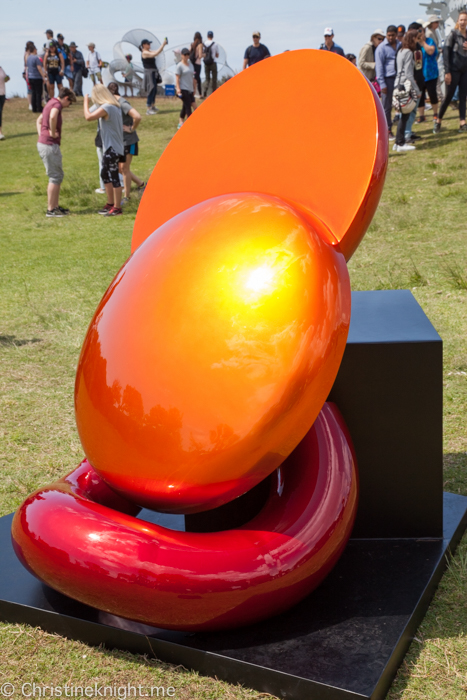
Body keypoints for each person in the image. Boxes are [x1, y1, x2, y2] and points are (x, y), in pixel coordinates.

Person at [84, 85, 125, 216]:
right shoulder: (113, 106)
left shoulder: (107, 107)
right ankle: (111, 203)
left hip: (112, 148)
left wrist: (85, 102)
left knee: (114, 177)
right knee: (105, 175)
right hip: (111, 147)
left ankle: (117, 207)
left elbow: (88, 117)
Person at [36, 86, 76, 216]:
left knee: (57, 176)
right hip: (49, 145)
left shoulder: (50, 101)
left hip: (44, 143)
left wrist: (41, 135)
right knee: (55, 177)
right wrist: (52, 134)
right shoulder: (57, 105)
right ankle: (51, 209)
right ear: (66, 98)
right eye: (69, 103)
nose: (68, 106)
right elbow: (52, 117)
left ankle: (55, 206)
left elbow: (39, 120)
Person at [107, 82, 145, 203]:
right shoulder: (113, 103)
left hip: (129, 141)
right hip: (120, 141)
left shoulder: (122, 103)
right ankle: (142, 184)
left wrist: (131, 128)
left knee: (124, 168)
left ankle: (126, 197)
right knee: (120, 168)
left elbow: (137, 116)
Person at [435, 10, 467, 134]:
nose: (463, 22)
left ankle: (462, 123)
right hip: (453, 71)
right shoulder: (452, 35)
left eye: (465, 20)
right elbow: (446, 53)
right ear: (458, 21)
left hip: (465, 71)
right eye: (461, 19)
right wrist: (447, 72)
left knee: (463, 97)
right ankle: (438, 121)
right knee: (448, 97)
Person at [393, 29, 421, 152]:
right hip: (405, 85)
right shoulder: (409, 52)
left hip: (397, 83)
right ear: (412, 39)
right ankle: (400, 143)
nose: (417, 40)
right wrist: (417, 90)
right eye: (416, 38)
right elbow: (409, 74)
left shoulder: (400, 51)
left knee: (402, 114)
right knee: (405, 114)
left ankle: (397, 142)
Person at [376, 25, 401, 139]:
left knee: (401, 104)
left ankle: (402, 130)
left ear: (396, 35)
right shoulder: (381, 48)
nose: (390, 37)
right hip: (387, 79)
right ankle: (388, 130)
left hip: (399, 78)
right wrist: (382, 83)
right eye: (389, 35)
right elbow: (379, 67)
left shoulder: (400, 45)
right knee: (387, 106)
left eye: (393, 35)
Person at [418, 24, 439, 126]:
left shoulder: (429, 41)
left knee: (432, 94)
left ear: (424, 30)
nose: (419, 33)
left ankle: (435, 113)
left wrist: (422, 42)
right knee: (420, 96)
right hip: (420, 75)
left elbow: (431, 51)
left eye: (421, 31)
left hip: (431, 73)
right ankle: (422, 116)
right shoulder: (415, 44)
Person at [140, 38, 167, 115]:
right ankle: (148, 109)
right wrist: (163, 44)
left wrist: (163, 46)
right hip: (149, 72)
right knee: (151, 89)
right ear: (143, 45)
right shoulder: (144, 53)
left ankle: (152, 106)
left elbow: (158, 51)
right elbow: (156, 53)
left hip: (153, 72)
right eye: (148, 44)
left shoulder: (148, 51)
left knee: (154, 89)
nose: (149, 45)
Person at [175, 48, 196, 128]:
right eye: (185, 55)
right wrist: (178, 89)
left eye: (188, 54)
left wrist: (194, 88)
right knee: (189, 107)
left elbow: (192, 78)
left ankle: (180, 123)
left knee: (185, 106)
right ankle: (190, 125)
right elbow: (177, 78)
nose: (187, 56)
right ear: (182, 55)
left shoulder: (191, 65)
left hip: (190, 89)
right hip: (183, 89)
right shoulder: (179, 66)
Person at [26, 44, 46, 113]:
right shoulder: (36, 58)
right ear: (34, 50)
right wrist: (43, 77)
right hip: (37, 77)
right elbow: (39, 68)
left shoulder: (28, 58)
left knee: (33, 92)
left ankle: (34, 108)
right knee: (38, 93)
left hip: (30, 77)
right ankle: (39, 107)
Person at [203, 31, 219, 96]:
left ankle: (205, 91)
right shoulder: (215, 44)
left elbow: (203, 53)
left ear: (207, 36)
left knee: (207, 79)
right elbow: (217, 55)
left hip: (206, 63)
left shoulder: (204, 44)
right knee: (214, 79)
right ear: (212, 36)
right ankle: (214, 93)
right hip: (213, 62)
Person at [190, 32, 204, 98]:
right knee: (196, 79)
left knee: (198, 78)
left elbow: (189, 52)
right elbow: (200, 56)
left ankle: (199, 93)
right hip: (198, 64)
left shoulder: (192, 44)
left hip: (192, 63)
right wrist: (205, 55)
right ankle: (194, 92)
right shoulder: (200, 45)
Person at [0, 66, 8, 140]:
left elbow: (5, 78)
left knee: (0, 113)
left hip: (2, 93)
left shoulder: (1, 68)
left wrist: (7, 78)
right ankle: (0, 133)